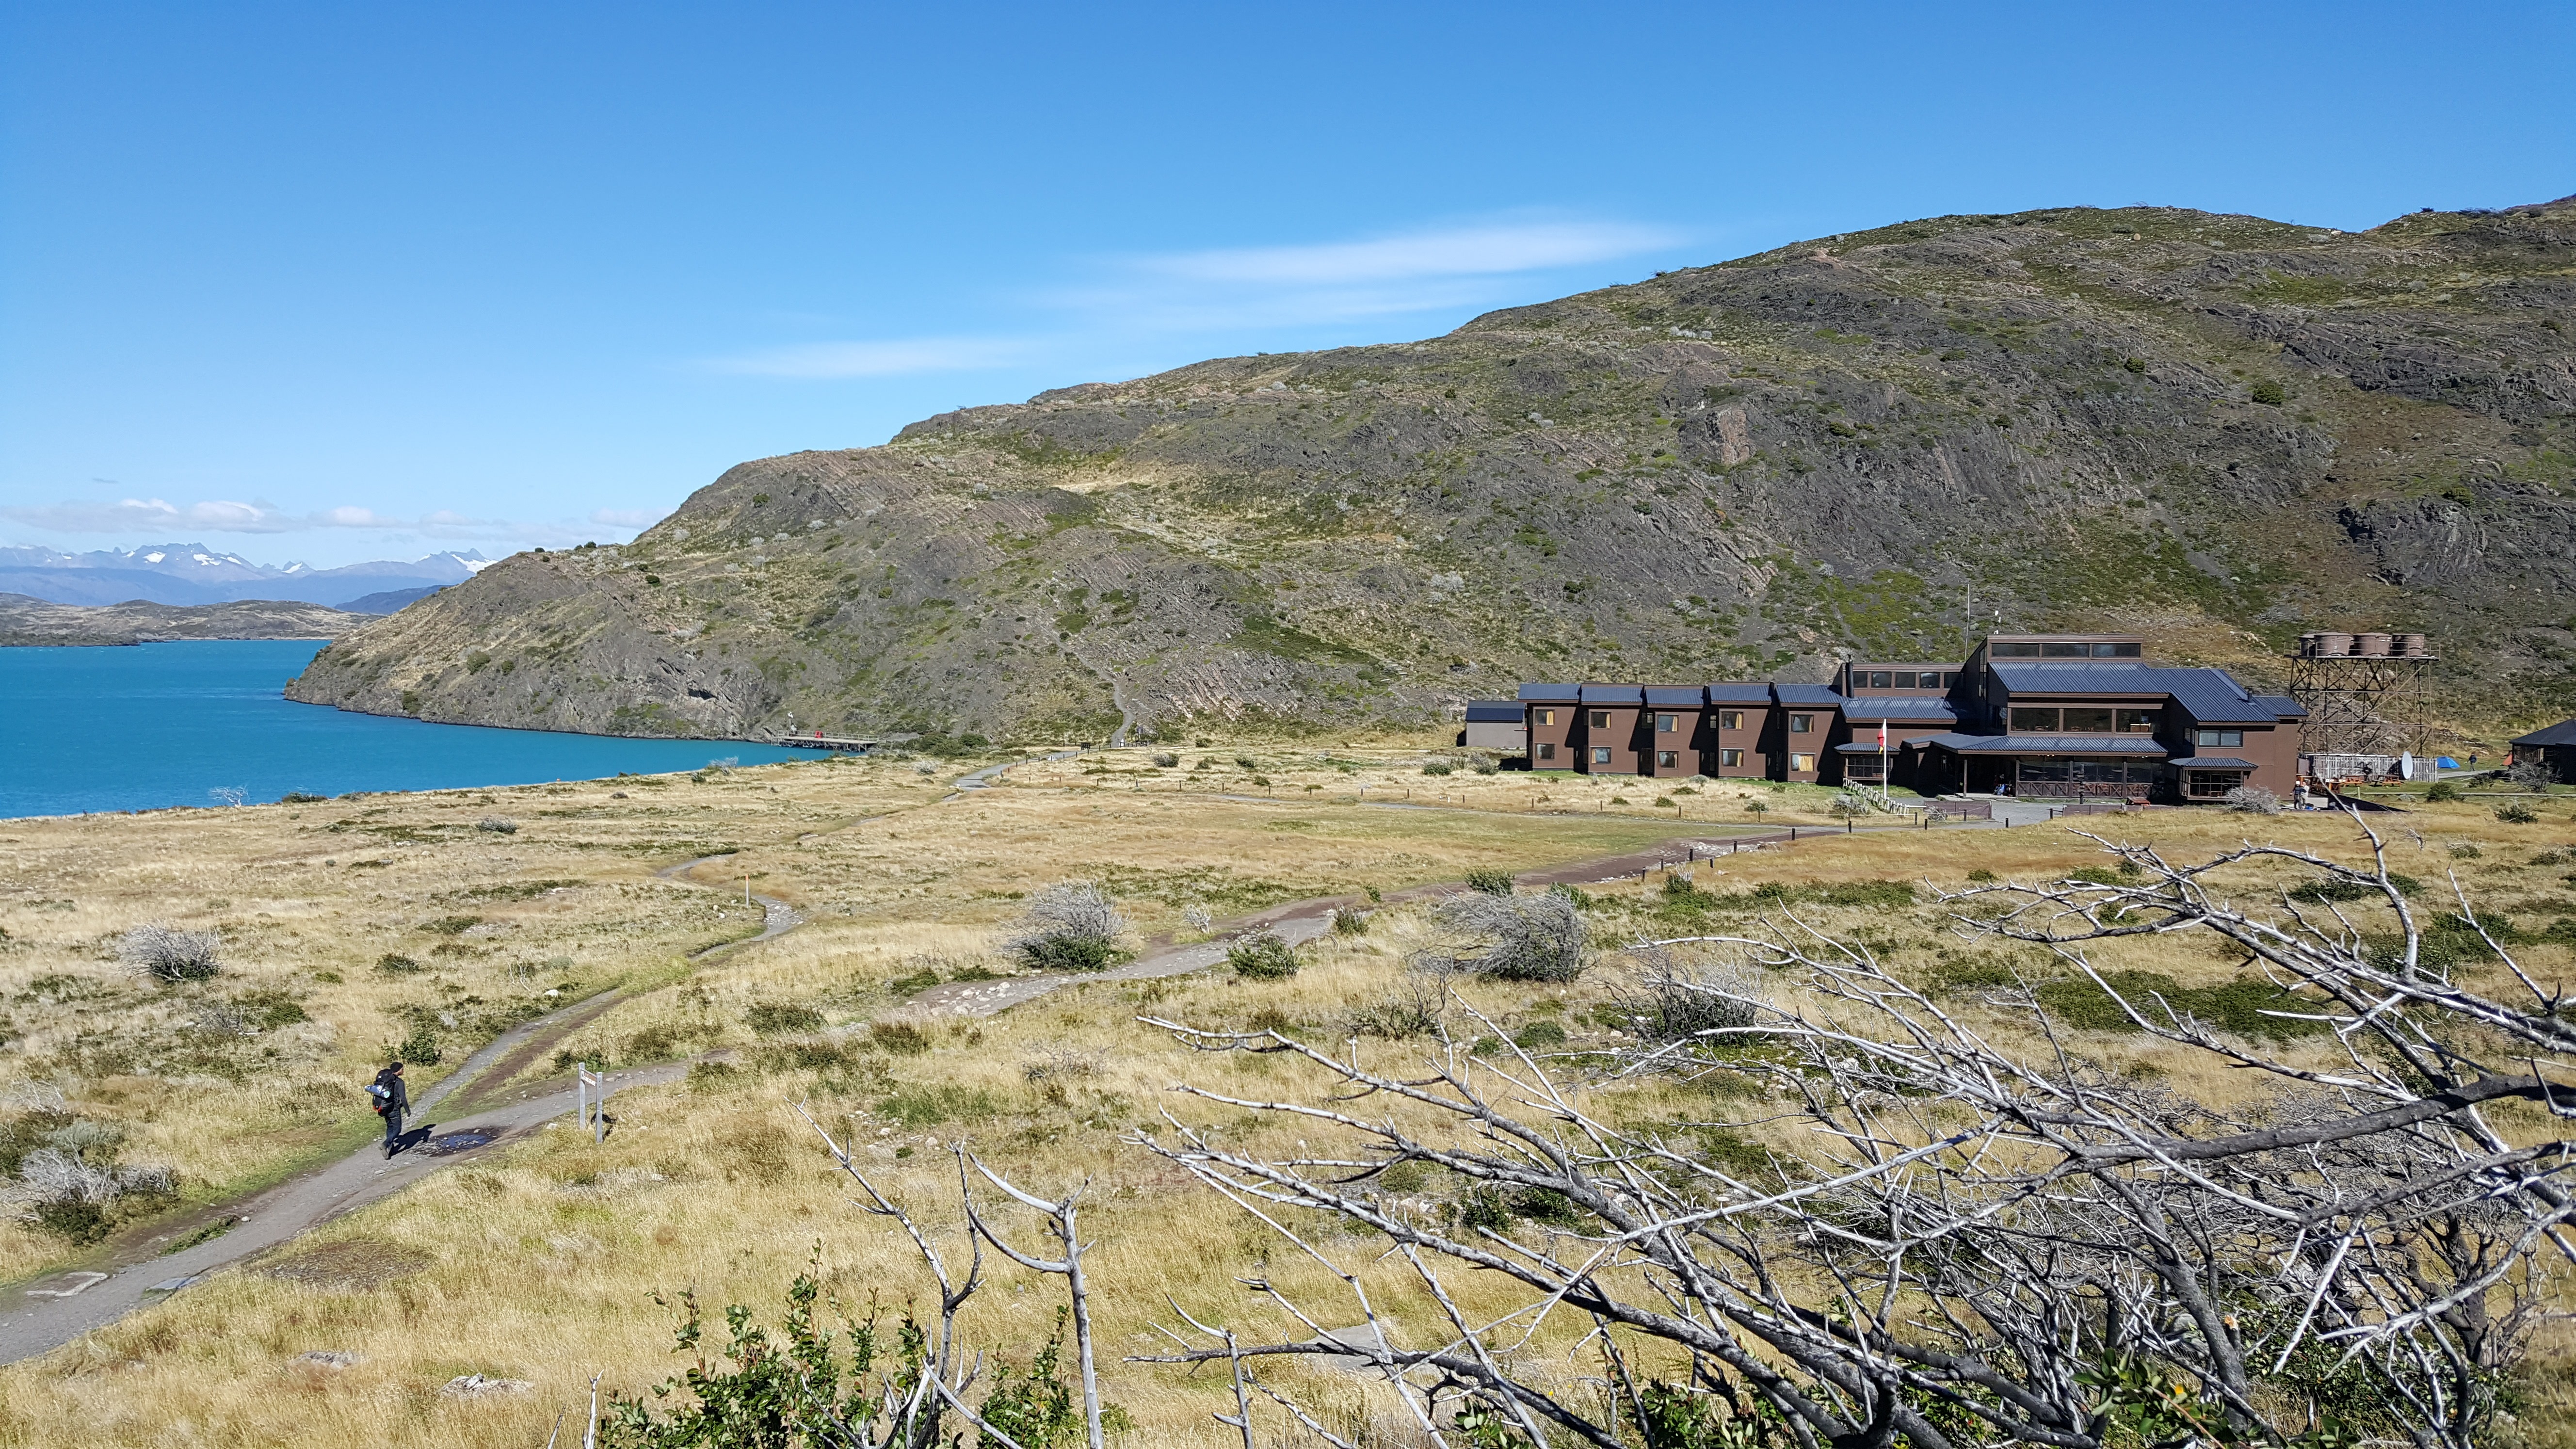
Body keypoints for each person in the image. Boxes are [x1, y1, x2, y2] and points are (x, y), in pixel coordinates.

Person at [371, 1061, 408, 1157]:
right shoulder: (400, 1082)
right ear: (399, 1070)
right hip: (394, 1108)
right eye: (402, 1069)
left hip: (384, 1107)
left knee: (390, 1126)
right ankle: (386, 1144)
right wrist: (408, 1111)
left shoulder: (386, 1080)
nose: (403, 1070)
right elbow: (403, 1098)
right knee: (397, 1129)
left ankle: (389, 1147)